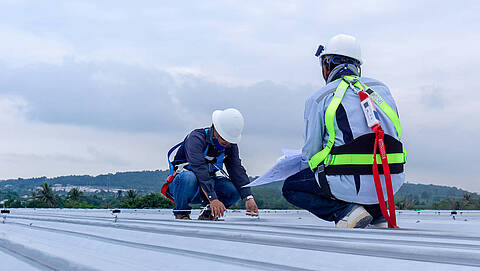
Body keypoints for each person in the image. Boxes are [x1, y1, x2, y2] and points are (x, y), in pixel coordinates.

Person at [282, 34, 406, 228]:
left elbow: (311, 152)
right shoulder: (382, 90)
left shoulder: (320, 97)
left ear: (327, 65)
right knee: (363, 168)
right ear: (358, 66)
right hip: (391, 182)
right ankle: (378, 213)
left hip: (349, 183)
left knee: (291, 187)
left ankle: (346, 212)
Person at [163, 108, 259, 220]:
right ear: (215, 130)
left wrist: (248, 197)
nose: (226, 144)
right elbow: (199, 170)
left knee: (234, 190)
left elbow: (237, 170)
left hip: (208, 185)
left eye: (229, 141)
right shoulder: (196, 139)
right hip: (185, 186)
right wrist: (213, 198)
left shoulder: (230, 145)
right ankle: (182, 212)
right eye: (224, 140)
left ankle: (209, 213)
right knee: (189, 177)